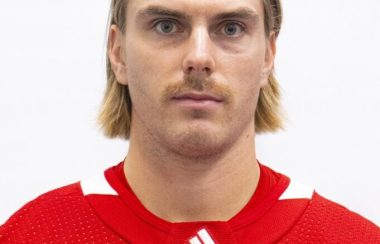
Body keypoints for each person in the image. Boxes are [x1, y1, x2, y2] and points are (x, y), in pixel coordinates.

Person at [0, 0, 379, 243]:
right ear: (118, 54)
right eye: (167, 25)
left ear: (268, 55)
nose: (199, 57)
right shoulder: (31, 235)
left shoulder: (352, 239)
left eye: (230, 28)